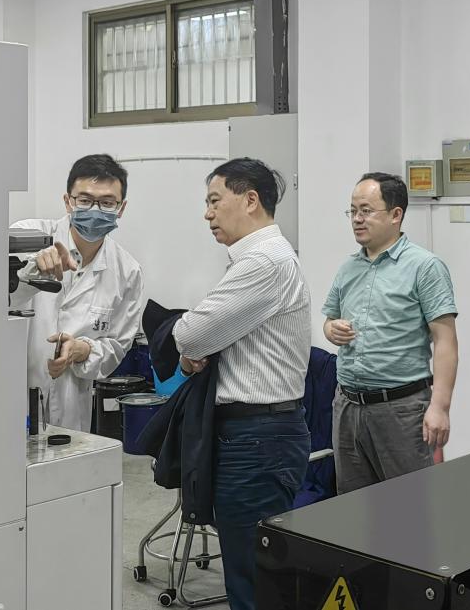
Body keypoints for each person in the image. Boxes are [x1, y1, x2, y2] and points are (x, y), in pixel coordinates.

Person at [173, 157, 310, 610]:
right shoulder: (257, 260)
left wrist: (192, 341)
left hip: (257, 439)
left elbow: (191, 334)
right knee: (248, 569)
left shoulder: (263, 262)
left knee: (252, 579)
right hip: (255, 434)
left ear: (250, 200)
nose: (207, 214)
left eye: (215, 201)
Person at [323, 172, 459, 494]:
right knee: (354, 507)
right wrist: (331, 329)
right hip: (347, 406)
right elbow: (330, 319)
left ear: (396, 214)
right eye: (352, 211)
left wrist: (440, 407)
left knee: (408, 506)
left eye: (366, 210)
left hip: (400, 408)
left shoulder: (425, 266)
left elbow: (445, 342)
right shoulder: (348, 268)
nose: (357, 219)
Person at [10, 154, 144, 432]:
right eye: (84, 200)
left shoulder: (127, 271)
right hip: (9, 393)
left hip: (71, 406)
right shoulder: (26, 236)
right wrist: (31, 270)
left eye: (107, 203)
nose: (95, 209)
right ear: (68, 201)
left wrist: (84, 350)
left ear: (121, 208)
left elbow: (117, 345)